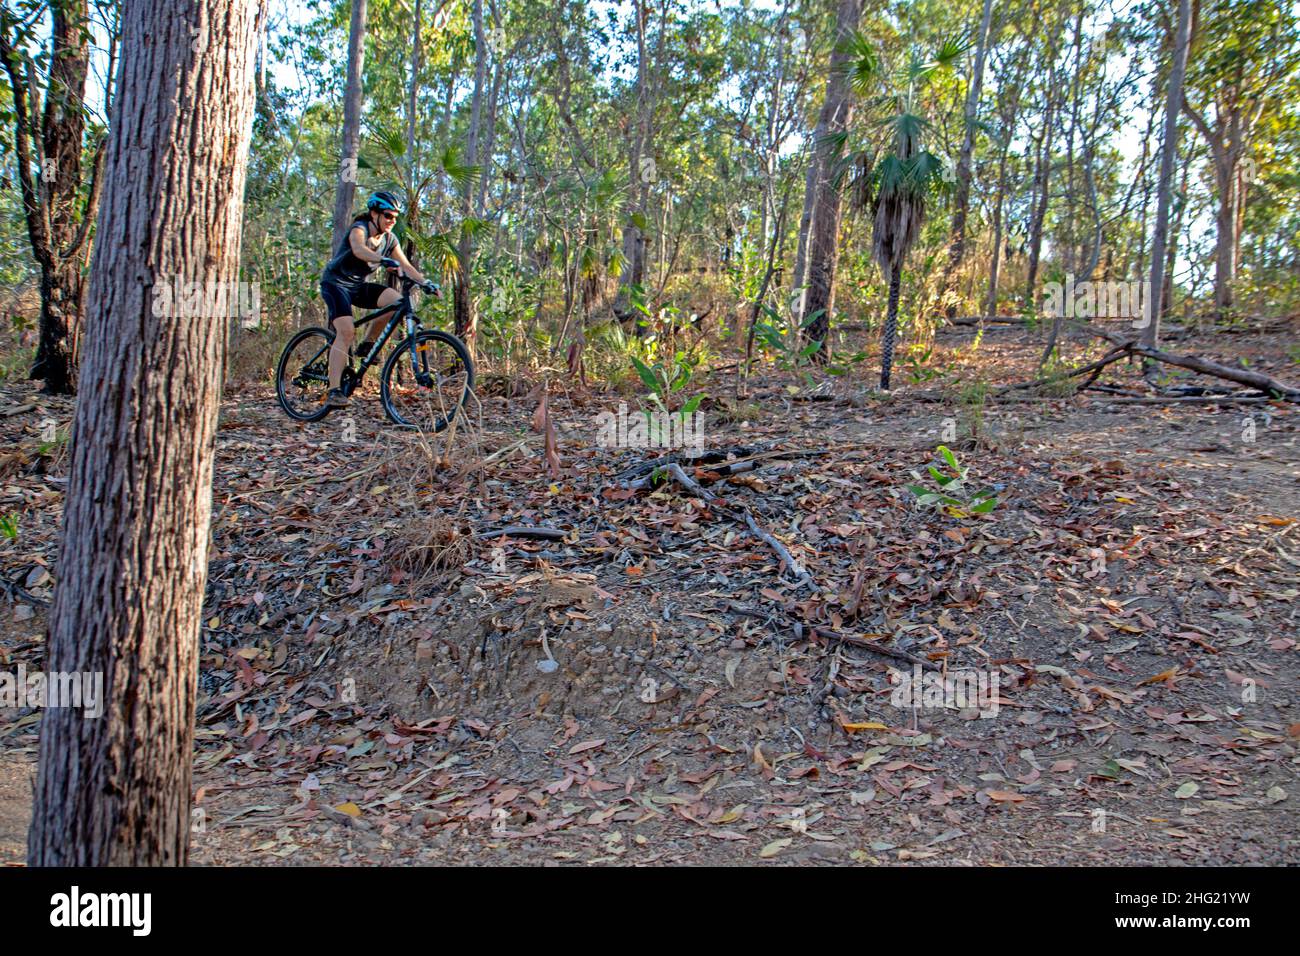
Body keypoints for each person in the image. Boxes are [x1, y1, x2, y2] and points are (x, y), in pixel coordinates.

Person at [320, 190, 440, 407]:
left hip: (356, 286)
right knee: (346, 331)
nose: (392, 221)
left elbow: (406, 265)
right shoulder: (360, 228)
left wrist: (425, 283)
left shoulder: (390, 239)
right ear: (373, 213)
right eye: (387, 216)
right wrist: (383, 259)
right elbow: (358, 249)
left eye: (395, 217)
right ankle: (334, 390)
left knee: (396, 302)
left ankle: (367, 345)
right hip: (335, 284)